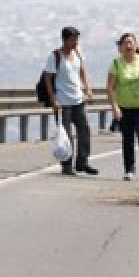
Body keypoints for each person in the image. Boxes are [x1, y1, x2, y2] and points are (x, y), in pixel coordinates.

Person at [44, 26, 97, 176]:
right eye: (73, 39)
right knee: (66, 135)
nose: (75, 42)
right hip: (63, 102)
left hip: (78, 99)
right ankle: (67, 165)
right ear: (65, 40)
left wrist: (88, 88)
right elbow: (47, 78)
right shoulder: (55, 56)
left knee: (84, 130)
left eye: (76, 39)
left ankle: (82, 162)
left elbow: (82, 71)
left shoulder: (78, 53)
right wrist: (53, 98)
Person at [107, 32, 139, 180]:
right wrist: (115, 107)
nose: (129, 46)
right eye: (125, 43)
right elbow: (110, 87)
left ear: (136, 45)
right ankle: (129, 169)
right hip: (124, 106)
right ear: (121, 47)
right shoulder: (116, 63)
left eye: (131, 42)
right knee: (128, 138)